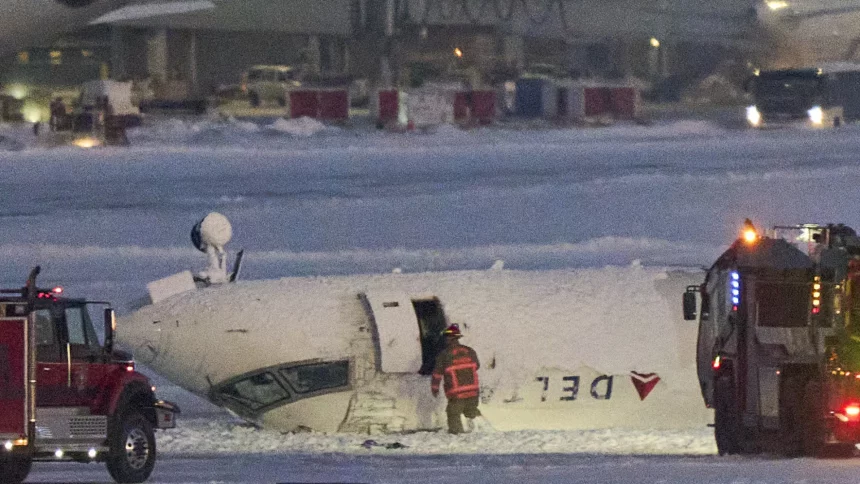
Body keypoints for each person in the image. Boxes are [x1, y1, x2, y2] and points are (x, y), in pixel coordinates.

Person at [431, 323, 481, 434]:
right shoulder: (470, 351)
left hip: (456, 392)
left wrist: (435, 389)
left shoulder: (444, 354)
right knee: (471, 412)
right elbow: (477, 366)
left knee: (453, 414)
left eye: (446, 338)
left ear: (449, 339)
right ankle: (480, 431)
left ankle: (457, 435)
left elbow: (437, 374)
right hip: (473, 390)